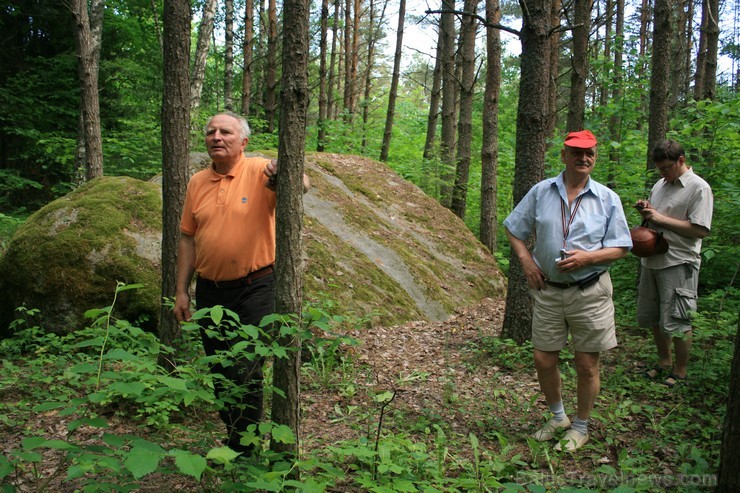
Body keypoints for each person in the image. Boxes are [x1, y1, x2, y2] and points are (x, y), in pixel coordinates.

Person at [173, 111, 310, 454]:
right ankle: (237, 435)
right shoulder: (196, 183)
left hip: (257, 286)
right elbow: (187, 238)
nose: (216, 137)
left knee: (245, 367)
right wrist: (181, 291)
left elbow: (301, 184)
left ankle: (244, 446)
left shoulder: (259, 170)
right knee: (220, 370)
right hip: (209, 291)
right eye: (210, 132)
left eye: (225, 132)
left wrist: (286, 174)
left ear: (243, 141)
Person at [503, 130, 632, 451]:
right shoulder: (541, 191)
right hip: (548, 290)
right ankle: (558, 416)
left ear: (595, 157)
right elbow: (513, 228)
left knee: (586, 364)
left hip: (590, 291)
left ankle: (582, 425)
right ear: (564, 156)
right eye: (576, 152)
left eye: (589, 153)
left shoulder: (606, 199)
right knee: (543, 358)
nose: (583, 158)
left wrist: (588, 257)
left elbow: (622, 247)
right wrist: (526, 261)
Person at [636, 140, 713, 388]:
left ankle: (680, 371)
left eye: (667, 168)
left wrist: (660, 218)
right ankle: (664, 363)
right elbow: (657, 217)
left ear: (681, 161)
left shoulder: (699, 188)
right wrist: (648, 210)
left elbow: (700, 230)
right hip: (652, 258)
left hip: (679, 261)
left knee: (679, 318)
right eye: (659, 168)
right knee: (656, 316)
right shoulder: (660, 184)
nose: (663, 173)